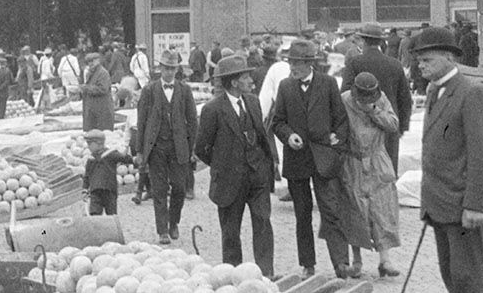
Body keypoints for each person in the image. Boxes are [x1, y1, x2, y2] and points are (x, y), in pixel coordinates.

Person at [411, 23, 483, 293]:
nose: (421, 66)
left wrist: (476, 203)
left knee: (468, 281)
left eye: (428, 60)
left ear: (450, 57)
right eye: (419, 61)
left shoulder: (472, 93)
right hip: (440, 205)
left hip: (464, 207)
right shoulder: (436, 92)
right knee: (453, 278)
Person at [269, 39, 351, 277]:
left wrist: (337, 146)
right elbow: (277, 122)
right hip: (297, 161)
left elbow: (341, 119)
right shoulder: (285, 86)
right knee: (302, 214)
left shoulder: (328, 84)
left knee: (331, 211)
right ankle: (308, 264)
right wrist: (289, 135)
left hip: (324, 159)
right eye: (291, 62)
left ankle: (340, 262)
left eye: (297, 63)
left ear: (309, 64)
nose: (292, 67)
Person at [195, 52, 277, 272]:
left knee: (263, 223)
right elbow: (201, 148)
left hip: (257, 176)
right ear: (234, 82)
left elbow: (260, 135)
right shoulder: (212, 110)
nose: (252, 80)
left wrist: (264, 165)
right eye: (246, 77)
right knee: (231, 231)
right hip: (230, 181)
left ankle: (266, 272)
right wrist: (222, 165)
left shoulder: (252, 102)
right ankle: (233, 273)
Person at [133, 50, 200, 246]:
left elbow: (193, 121)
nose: (169, 72)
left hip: (178, 147)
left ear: (177, 70)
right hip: (156, 148)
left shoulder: (184, 90)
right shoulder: (149, 90)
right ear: (159, 69)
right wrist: (140, 150)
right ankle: (162, 230)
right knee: (159, 189)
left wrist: (192, 147)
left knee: (179, 188)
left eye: (172, 69)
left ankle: (174, 222)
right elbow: (142, 121)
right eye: (166, 68)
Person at [342, 72, 403, 279]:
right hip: (354, 161)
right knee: (355, 209)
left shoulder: (381, 100)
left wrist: (375, 111)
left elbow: (394, 124)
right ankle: (356, 260)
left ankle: (385, 260)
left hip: (377, 160)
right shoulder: (344, 101)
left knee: (382, 208)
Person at [352, 25, 411, 175]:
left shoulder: (355, 63)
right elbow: (405, 99)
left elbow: (346, 94)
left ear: (363, 42)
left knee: (364, 176)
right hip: (390, 125)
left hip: (361, 126)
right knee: (388, 172)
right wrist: (402, 126)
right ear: (380, 42)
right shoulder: (395, 64)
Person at [82, 131, 127, 218]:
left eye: (90, 143)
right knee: (95, 215)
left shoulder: (111, 154)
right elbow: (86, 176)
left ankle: (112, 230)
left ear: (99, 144)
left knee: (112, 215)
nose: (88, 146)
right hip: (95, 191)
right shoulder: (91, 159)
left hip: (109, 190)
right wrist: (84, 189)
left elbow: (123, 158)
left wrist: (136, 160)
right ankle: (98, 230)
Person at [81, 47, 115, 132]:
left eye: (92, 61)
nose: (90, 64)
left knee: (102, 133)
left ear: (98, 61)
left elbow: (103, 89)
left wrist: (86, 88)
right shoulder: (90, 73)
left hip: (102, 108)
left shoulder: (103, 73)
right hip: (93, 109)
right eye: (89, 62)